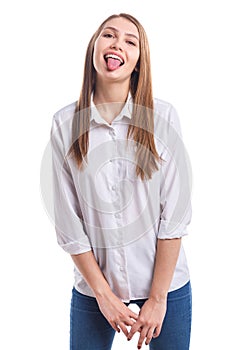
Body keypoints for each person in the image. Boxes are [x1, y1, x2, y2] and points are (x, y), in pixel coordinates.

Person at [50, 13, 192, 350]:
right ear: (94, 48)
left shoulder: (164, 117)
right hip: (94, 289)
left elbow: (174, 216)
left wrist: (157, 300)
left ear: (139, 62)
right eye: (108, 35)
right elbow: (69, 224)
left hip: (166, 288)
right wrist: (103, 295)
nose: (117, 44)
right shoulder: (65, 124)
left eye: (130, 41)